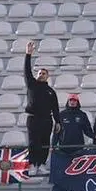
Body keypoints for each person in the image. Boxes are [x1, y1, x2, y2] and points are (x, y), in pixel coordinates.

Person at [23, 42, 61, 174]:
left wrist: (58, 121)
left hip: (46, 119)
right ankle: (33, 164)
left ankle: (42, 164)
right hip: (33, 119)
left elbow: (55, 108)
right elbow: (26, 71)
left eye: (44, 73)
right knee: (34, 142)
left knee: (45, 142)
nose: (41, 74)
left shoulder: (51, 91)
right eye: (39, 73)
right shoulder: (31, 84)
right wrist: (28, 54)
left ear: (47, 76)